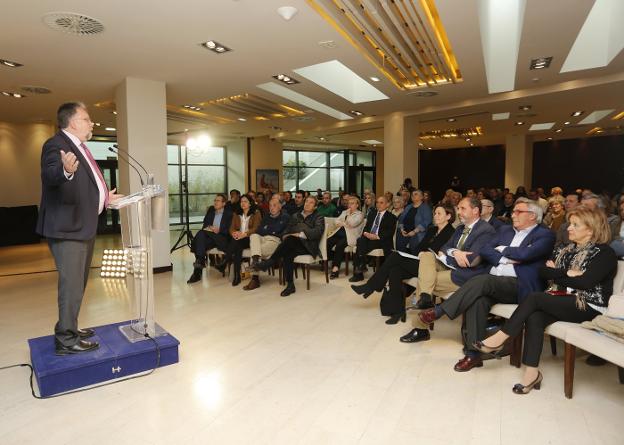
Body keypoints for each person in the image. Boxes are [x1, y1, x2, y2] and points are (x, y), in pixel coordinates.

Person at [474, 206, 617, 394]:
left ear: (590, 229)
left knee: (535, 298)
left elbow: (585, 282)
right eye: (570, 223)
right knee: (535, 317)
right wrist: (567, 272)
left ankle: (502, 337)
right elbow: (543, 271)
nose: (569, 228)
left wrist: (557, 272)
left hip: (589, 306)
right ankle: (532, 373)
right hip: (563, 299)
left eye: (575, 225)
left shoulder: (604, 253)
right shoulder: (566, 249)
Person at [417, 198, 555, 371]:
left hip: (519, 285)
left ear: (533, 216)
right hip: (494, 281)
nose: (513, 215)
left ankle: (439, 311)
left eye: (518, 212)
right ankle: (474, 354)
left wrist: (502, 251)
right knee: (478, 299)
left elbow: (528, 253)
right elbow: (486, 251)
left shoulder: (545, 234)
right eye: (513, 211)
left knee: (482, 280)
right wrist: (509, 259)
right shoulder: (505, 231)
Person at [37, 102, 122, 355]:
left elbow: (87, 187)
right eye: (86, 119)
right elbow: (50, 175)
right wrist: (65, 170)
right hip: (68, 228)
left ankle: (69, 327)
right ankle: (66, 340)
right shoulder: (56, 145)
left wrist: (105, 197)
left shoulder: (80, 146)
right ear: (72, 122)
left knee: (78, 283)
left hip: (82, 226)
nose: (91, 123)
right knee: (71, 285)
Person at [399, 197, 496, 343]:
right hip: (450, 265)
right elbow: (444, 248)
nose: (459, 212)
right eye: (458, 208)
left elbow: (471, 261)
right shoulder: (460, 228)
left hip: (467, 275)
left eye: (463, 208)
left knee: (424, 280)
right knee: (426, 255)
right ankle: (426, 297)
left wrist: (450, 253)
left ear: (475, 211)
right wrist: (455, 252)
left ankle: (420, 328)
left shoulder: (486, 230)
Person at [351, 204, 456, 324]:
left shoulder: (451, 233)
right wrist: (418, 254)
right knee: (395, 270)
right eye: (435, 213)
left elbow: (440, 253)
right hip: (420, 261)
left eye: (439, 213)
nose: (435, 216)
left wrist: (422, 254)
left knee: (395, 256)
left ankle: (371, 286)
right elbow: (419, 247)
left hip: (432, 268)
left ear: (448, 216)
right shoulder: (432, 229)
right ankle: (397, 311)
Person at [253, 196, 324, 296]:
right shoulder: (296, 216)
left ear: (315, 207)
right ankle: (290, 285)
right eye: (306, 201)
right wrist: (287, 235)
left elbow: (317, 232)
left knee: (290, 240)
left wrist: (299, 234)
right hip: (293, 244)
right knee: (288, 253)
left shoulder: (318, 217)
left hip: (308, 246)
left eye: (311, 203)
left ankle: (269, 262)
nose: (307, 204)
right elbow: (286, 231)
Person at [243, 199, 290, 290]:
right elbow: (259, 230)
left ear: (280, 206)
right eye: (270, 205)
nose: (271, 208)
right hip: (263, 238)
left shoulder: (285, 217)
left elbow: (279, 231)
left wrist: (268, 229)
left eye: (274, 205)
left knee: (255, 251)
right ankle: (256, 262)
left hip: (275, 240)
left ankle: (255, 279)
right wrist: (270, 230)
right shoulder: (266, 216)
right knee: (254, 235)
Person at [215, 194, 262, 286]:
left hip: (250, 239)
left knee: (236, 243)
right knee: (237, 247)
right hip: (239, 239)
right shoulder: (236, 213)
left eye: (245, 201)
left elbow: (256, 228)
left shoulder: (256, 213)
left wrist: (244, 234)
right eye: (241, 201)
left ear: (250, 204)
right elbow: (231, 228)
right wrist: (234, 233)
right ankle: (237, 276)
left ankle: (225, 262)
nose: (243, 203)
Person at [349, 195, 397, 282]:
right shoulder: (372, 213)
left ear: (387, 205)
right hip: (369, 237)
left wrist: (376, 236)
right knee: (360, 240)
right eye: (377, 202)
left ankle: (359, 271)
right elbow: (366, 227)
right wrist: (366, 233)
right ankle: (362, 265)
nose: (378, 204)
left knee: (361, 244)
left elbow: (389, 233)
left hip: (381, 240)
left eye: (381, 203)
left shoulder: (391, 217)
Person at [187, 194, 233, 283]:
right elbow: (204, 226)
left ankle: (197, 271)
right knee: (201, 236)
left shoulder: (229, 214)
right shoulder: (211, 213)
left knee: (199, 238)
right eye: (215, 200)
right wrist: (210, 228)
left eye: (218, 201)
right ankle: (200, 262)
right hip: (210, 238)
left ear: (224, 203)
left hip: (221, 237)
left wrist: (219, 230)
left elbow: (230, 229)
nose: (215, 202)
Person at [327, 196, 365, 279]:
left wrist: (343, 222)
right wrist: (344, 222)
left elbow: (353, 223)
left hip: (351, 236)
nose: (349, 205)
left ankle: (335, 269)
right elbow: (336, 221)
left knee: (339, 245)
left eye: (352, 203)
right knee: (328, 241)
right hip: (340, 233)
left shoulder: (360, 214)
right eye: (349, 203)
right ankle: (327, 262)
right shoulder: (345, 212)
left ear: (357, 205)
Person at [396, 189, 432, 254]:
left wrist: (414, 231)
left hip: (417, 233)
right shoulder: (408, 207)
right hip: (404, 232)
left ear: (421, 197)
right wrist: (401, 229)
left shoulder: (426, 207)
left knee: (414, 250)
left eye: (416, 194)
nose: (413, 196)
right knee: (399, 249)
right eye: (412, 194)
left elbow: (426, 222)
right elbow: (401, 219)